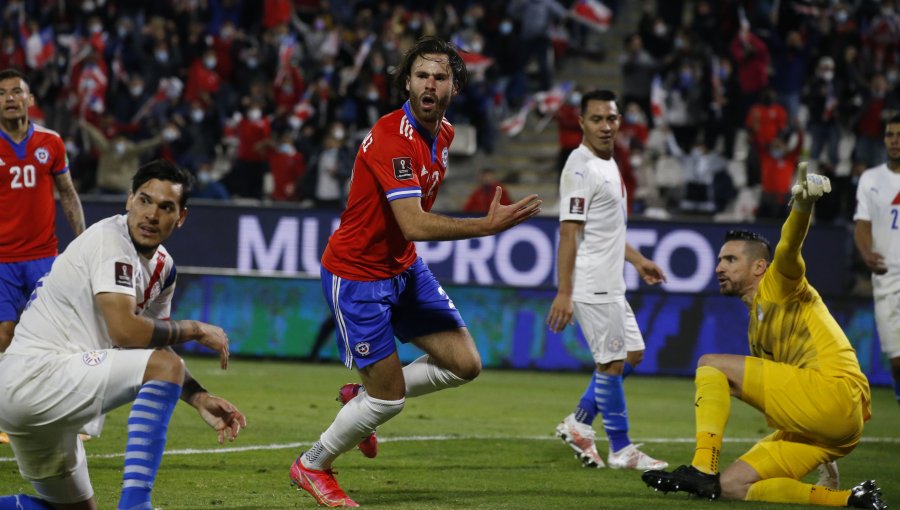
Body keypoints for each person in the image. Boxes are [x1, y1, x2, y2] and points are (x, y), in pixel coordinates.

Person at [289, 36, 542, 508]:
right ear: (406, 82)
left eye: (440, 76)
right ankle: (313, 464)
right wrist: (485, 227)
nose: (429, 84)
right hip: (358, 275)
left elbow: (408, 223)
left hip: (402, 267)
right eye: (421, 75)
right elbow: (413, 222)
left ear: (454, 86)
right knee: (388, 401)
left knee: (465, 364)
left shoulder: (442, 133)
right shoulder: (391, 138)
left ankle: (358, 397)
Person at [0, 159, 247, 510]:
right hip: (38, 373)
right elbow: (127, 331)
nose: (151, 214)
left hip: (34, 391)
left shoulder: (163, 267)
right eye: (144, 200)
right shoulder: (109, 240)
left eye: (166, 207)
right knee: (164, 366)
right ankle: (136, 504)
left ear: (181, 217)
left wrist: (198, 397)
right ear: (129, 200)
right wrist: (194, 329)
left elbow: (153, 340)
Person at [642, 162, 887, 509]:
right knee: (731, 486)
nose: (718, 268)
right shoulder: (757, 327)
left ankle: (701, 465)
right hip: (833, 426)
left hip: (835, 394)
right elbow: (793, 390)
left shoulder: (780, 282)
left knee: (711, 364)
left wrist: (802, 206)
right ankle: (850, 500)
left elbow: (789, 246)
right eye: (719, 260)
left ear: (759, 266)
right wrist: (827, 460)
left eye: (729, 260)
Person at [545, 89, 669, 471]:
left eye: (611, 118)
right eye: (596, 119)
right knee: (613, 361)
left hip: (611, 281)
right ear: (581, 122)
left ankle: (580, 422)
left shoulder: (610, 163)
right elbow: (570, 232)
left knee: (631, 355)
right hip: (591, 283)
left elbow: (607, 229)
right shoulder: (580, 167)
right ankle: (622, 449)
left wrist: (638, 260)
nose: (604, 125)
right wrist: (565, 291)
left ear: (619, 121)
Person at [0, 68, 85, 354]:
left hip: (44, 258)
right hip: (2, 260)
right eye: (1, 94)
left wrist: (83, 241)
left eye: (16, 91)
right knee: (5, 335)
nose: (9, 98)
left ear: (30, 98)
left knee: (52, 337)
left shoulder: (51, 142)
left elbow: (68, 194)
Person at [854, 114, 900, 408]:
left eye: (899, 134)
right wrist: (866, 253)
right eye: (889, 135)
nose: (894, 140)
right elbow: (862, 224)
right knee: (897, 362)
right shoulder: (870, 179)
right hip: (887, 279)